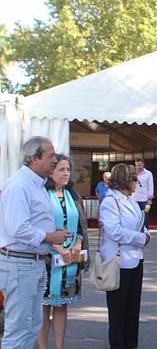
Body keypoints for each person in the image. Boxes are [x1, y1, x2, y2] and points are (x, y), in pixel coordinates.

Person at [0, 136, 68, 348]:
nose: (55, 160)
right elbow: (17, 228)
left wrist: (50, 233)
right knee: (18, 328)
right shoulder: (19, 185)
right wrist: (49, 236)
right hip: (20, 263)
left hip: (33, 262)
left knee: (32, 326)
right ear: (33, 158)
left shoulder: (35, 184)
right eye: (50, 156)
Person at [38, 154, 90, 349]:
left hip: (70, 259)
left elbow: (80, 228)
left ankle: (59, 346)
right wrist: (58, 247)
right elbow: (39, 227)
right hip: (47, 259)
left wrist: (77, 244)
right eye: (61, 169)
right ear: (50, 172)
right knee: (44, 307)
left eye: (68, 169)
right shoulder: (42, 195)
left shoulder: (73, 195)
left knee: (61, 306)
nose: (66, 173)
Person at [99, 163, 151, 349]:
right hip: (118, 262)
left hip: (135, 259)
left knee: (132, 310)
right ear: (125, 180)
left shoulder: (130, 199)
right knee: (118, 312)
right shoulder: (110, 201)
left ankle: (131, 345)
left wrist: (146, 234)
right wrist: (140, 238)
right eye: (134, 179)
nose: (137, 182)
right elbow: (114, 231)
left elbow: (139, 222)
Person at [132, 158, 154, 229]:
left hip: (145, 199)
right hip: (134, 199)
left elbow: (151, 186)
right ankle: (136, 230)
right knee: (135, 215)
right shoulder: (133, 173)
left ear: (143, 164)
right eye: (137, 165)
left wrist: (150, 199)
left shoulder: (148, 173)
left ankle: (146, 231)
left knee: (145, 215)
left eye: (140, 165)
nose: (138, 167)